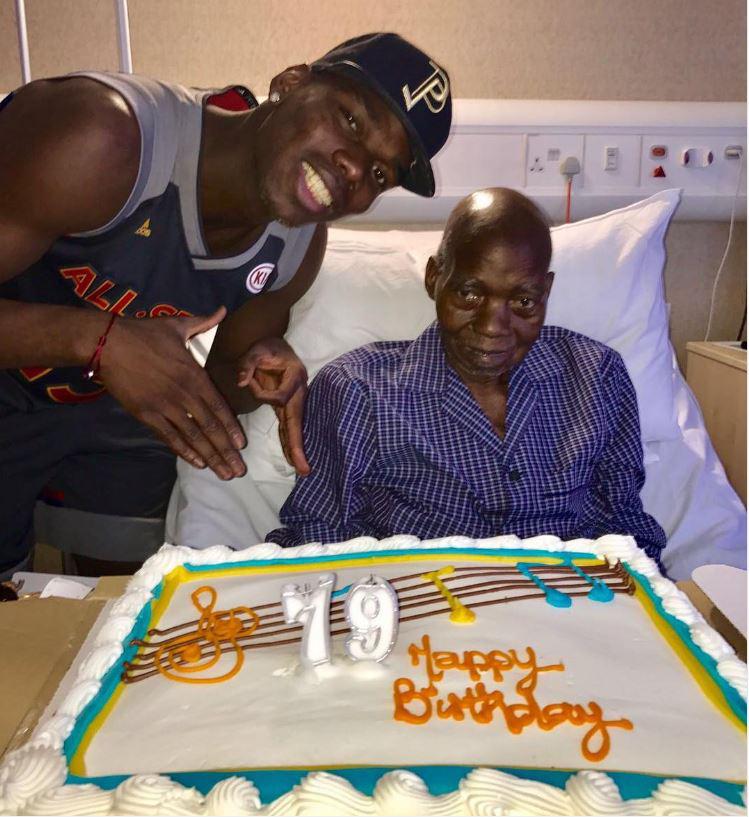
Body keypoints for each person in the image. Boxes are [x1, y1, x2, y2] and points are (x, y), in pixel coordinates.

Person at [0, 33, 452, 578]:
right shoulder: (101, 137)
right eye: (351, 121)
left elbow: (220, 385)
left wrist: (262, 374)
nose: (355, 169)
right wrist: (101, 339)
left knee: (116, 619)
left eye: (381, 173)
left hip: (112, 416)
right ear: (291, 83)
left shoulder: (295, 249)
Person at [266, 188, 667, 562]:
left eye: (524, 301)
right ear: (433, 279)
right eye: (470, 293)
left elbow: (625, 530)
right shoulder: (357, 391)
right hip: (421, 616)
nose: (494, 326)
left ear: (545, 292)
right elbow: (315, 542)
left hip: (568, 607)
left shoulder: (597, 378)